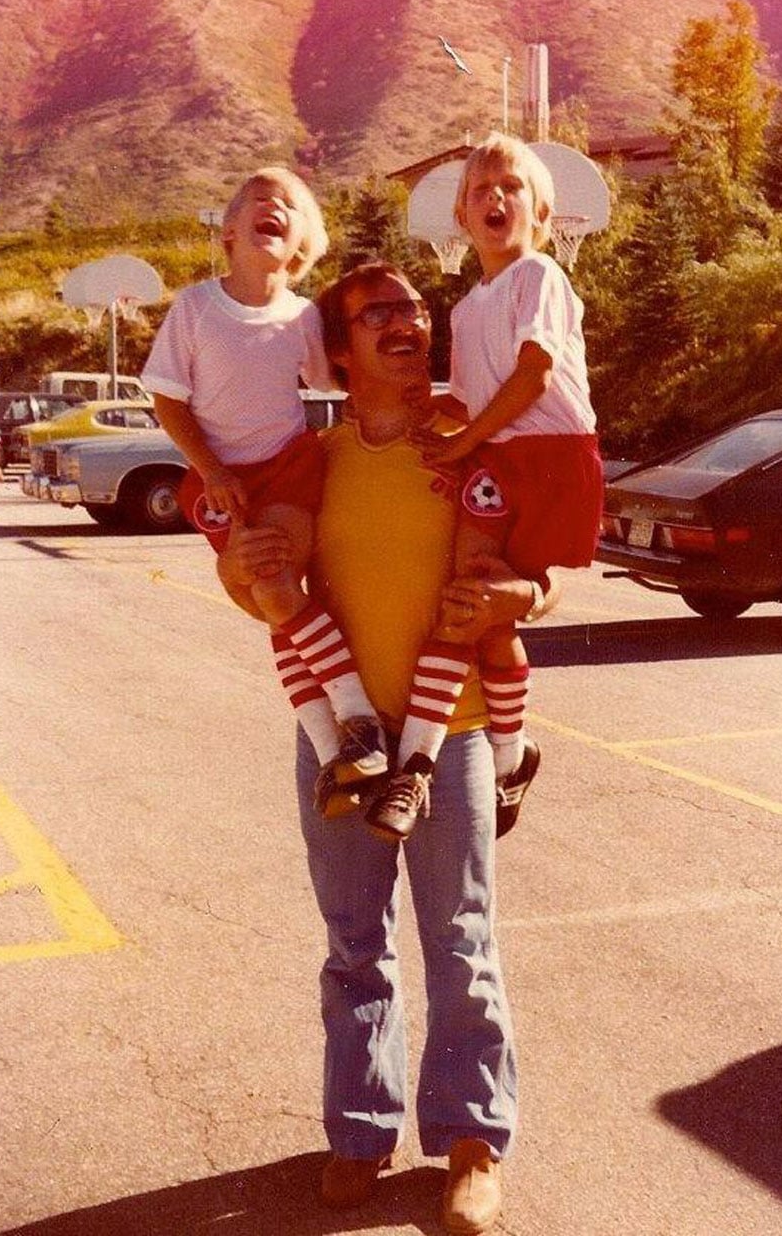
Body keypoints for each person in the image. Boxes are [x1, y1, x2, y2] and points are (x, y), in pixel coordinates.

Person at [220, 261, 558, 1234]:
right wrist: (245, 572)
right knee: (353, 946)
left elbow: (549, 567)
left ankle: (470, 1141)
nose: (406, 321)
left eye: (415, 308)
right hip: (344, 745)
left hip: (447, 737)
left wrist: (520, 599)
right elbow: (262, 585)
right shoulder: (312, 459)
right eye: (379, 313)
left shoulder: (474, 433)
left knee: (461, 942)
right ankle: (361, 1131)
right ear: (337, 350)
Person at [366, 132, 601, 840]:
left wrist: (463, 441)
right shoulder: (467, 310)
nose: (495, 198)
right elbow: (473, 400)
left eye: (511, 188)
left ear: (543, 211)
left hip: (555, 457)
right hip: (497, 458)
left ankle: (500, 752)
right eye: (479, 191)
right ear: (461, 219)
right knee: (470, 603)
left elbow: (531, 377)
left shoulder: (541, 279)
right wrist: (423, 410)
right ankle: (473, 758)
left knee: (488, 606)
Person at [142, 167, 388, 786]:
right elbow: (167, 401)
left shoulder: (302, 317)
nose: (271, 205)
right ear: (228, 231)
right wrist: (212, 468)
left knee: (278, 588)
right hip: (218, 480)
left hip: (288, 469)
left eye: (286, 204)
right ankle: (338, 748)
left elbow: (335, 384)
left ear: (301, 242)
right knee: (274, 600)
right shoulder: (196, 307)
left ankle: (357, 721)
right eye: (257, 199)